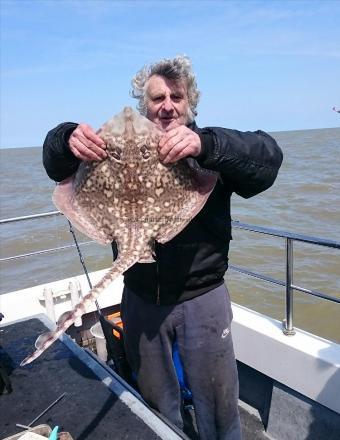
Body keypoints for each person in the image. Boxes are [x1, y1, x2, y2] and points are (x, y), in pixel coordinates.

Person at [43, 55, 283, 439]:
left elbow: (268, 159)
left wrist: (206, 145)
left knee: (220, 412)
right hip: (139, 299)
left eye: (176, 96)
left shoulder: (209, 148)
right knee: (156, 408)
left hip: (201, 299)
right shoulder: (110, 148)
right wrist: (66, 138)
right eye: (157, 98)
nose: (168, 105)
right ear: (145, 105)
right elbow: (57, 168)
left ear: (190, 104)